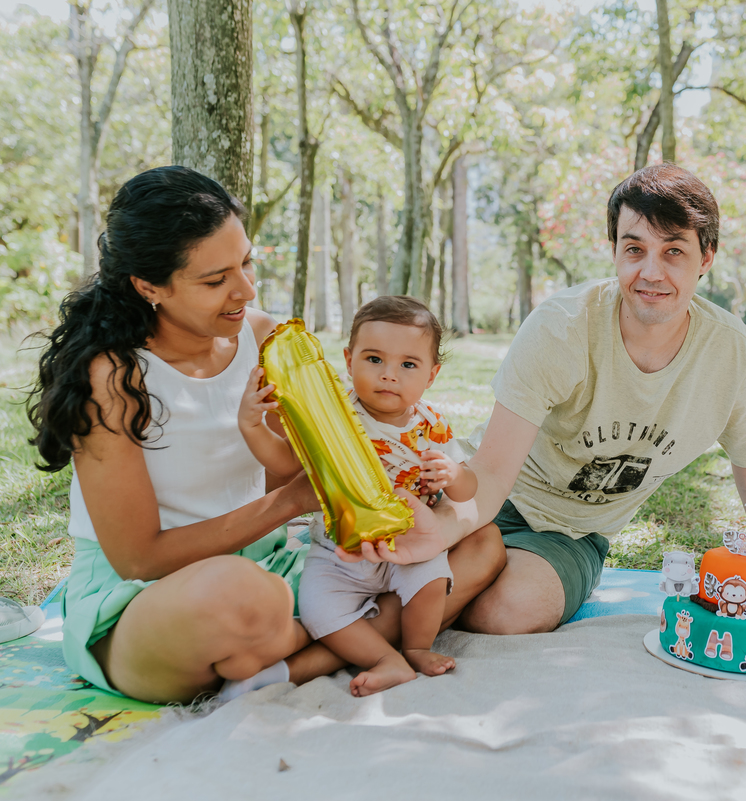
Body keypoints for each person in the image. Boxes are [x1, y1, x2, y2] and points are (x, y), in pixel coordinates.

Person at [27, 166, 504, 704]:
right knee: (245, 599)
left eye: (246, 262)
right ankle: (328, 641)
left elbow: (295, 466)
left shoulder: (267, 339)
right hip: (150, 600)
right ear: (148, 286)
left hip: (271, 565)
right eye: (215, 281)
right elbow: (140, 559)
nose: (246, 290)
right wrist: (294, 501)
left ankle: (284, 659)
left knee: (476, 544)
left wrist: (368, 508)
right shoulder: (111, 377)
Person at [350, 163, 746, 634]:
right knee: (384, 563)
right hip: (483, 492)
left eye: (674, 251)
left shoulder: (731, 354)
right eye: (635, 249)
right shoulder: (562, 326)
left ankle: (403, 610)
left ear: (706, 257)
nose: (651, 272)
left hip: (571, 535)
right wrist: (442, 530)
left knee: (509, 612)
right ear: (614, 251)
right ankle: (386, 618)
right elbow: (492, 473)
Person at [238, 296, 475, 696]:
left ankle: (416, 647)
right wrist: (252, 425)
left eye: (408, 365)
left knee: (433, 579)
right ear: (349, 361)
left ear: (431, 375)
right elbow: (284, 461)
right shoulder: (334, 414)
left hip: (408, 546)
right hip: (338, 552)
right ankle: (385, 659)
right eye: (374, 359)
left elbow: (468, 490)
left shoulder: (431, 425)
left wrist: (453, 474)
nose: (389, 375)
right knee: (318, 610)